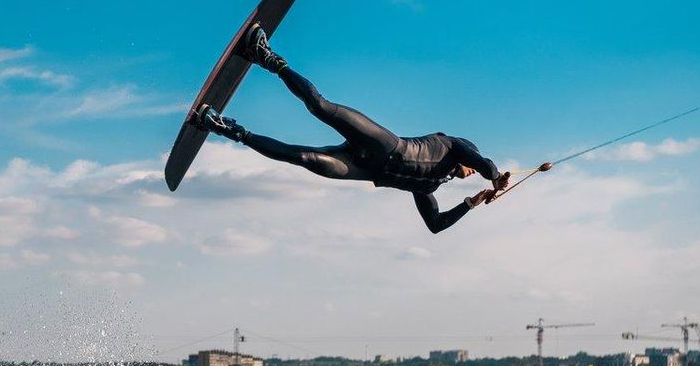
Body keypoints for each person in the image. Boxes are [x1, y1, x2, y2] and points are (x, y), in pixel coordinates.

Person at [197, 25, 510, 234]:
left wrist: (473, 201)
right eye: (471, 165)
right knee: (319, 106)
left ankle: (227, 128)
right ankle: (266, 57)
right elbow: (478, 160)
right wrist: (494, 176)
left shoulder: (427, 187)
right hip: (384, 145)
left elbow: (436, 224)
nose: (470, 170)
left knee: (304, 158)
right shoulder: (450, 145)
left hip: (362, 168)